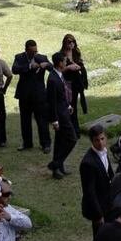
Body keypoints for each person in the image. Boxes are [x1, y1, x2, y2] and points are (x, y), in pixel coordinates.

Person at [12, 39, 52, 152]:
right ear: (26, 50)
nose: (35, 53)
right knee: (25, 120)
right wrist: (29, 66)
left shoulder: (42, 57)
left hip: (39, 95)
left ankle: (46, 144)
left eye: (36, 50)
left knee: (42, 120)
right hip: (24, 94)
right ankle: (27, 143)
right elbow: (15, 70)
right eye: (32, 51)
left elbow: (52, 68)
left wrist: (47, 64)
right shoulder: (19, 57)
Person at [46, 52, 77, 180]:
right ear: (59, 63)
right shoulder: (53, 79)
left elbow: (61, 95)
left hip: (63, 111)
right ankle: (56, 164)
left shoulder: (59, 76)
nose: (66, 63)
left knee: (60, 141)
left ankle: (59, 167)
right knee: (71, 139)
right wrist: (54, 120)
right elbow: (51, 101)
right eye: (64, 61)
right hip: (60, 116)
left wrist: (68, 105)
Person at [79, 124, 114, 237]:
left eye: (102, 139)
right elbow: (90, 192)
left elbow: (109, 173)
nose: (100, 143)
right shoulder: (88, 163)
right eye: (96, 140)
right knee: (100, 237)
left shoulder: (104, 151)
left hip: (108, 201)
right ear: (92, 141)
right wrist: (98, 215)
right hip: (99, 206)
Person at [60, 33, 88, 135]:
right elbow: (59, 70)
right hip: (67, 84)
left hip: (76, 83)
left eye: (73, 42)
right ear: (65, 43)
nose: (72, 44)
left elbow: (80, 63)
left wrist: (79, 66)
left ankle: (76, 129)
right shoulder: (61, 55)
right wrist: (68, 68)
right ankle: (71, 129)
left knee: (74, 106)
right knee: (69, 107)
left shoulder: (76, 52)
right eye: (69, 42)